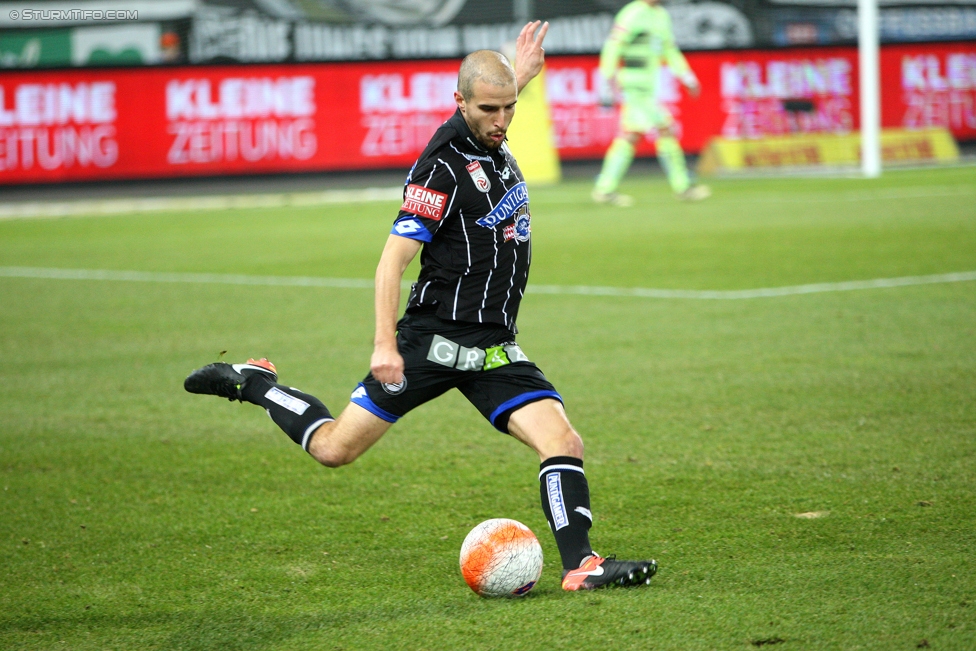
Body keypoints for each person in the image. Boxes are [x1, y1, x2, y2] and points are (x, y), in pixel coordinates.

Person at [184, 21, 657, 592]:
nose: (503, 121)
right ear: (459, 102)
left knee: (563, 442)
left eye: (510, 107)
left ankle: (582, 566)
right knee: (335, 450)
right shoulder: (439, 169)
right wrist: (385, 346)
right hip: (429, 343)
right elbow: (391, 263)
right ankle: (256, 383)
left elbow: (497, 95)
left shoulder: (491, 129)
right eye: (490, 109)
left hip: (491, 348)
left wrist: (519, 74)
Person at [592, 0, 710, 206]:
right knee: (663, 129)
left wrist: (687, 77)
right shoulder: (632, 14)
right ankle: (682, 186)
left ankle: (605, 188)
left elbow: (669, 50)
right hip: (633, 87)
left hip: (649, 89)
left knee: (633, 135)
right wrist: (605, 81)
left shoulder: (661, 16)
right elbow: (613, 46)